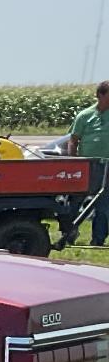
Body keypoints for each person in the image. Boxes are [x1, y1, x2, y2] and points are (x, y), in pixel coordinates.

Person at [64, 80, 109, 246]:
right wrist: (73, 162)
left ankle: (98, 240)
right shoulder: (85, 116)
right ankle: (68, 235)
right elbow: (73, 140)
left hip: (107, 166)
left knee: (104, 205)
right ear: (101, 95)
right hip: (86, 166)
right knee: (74, 201)